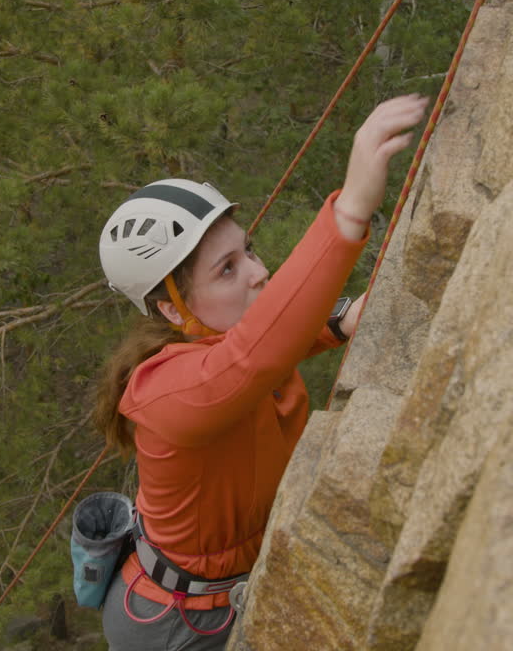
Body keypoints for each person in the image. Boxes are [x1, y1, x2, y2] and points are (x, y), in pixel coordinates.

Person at [93, 94, 429, 649]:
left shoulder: (222, 348)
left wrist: (341, 321)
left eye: (247, 251)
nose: (260, 271)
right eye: (228, 269)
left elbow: (264, 342)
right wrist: (348, 214)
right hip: (173, 627)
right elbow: (250, 359)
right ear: (174, 310)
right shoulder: (166, 393)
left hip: (217, 594)